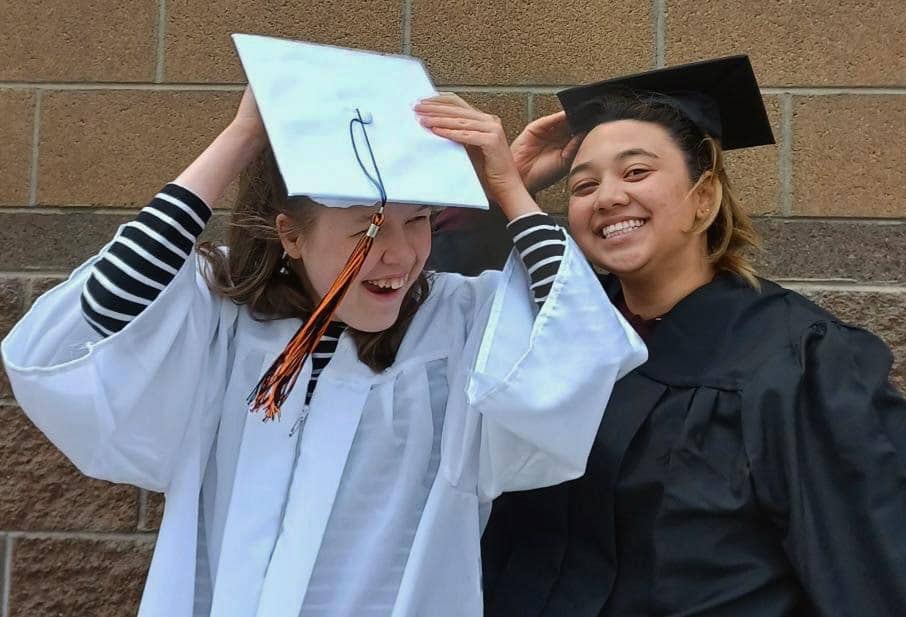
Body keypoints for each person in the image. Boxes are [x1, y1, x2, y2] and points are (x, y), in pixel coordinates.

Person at [1, 41, 646, 617]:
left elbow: (580, 347)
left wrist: (507, 188)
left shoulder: (454, 328)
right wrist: (242, 138)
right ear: (290, 234)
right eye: (368, 227)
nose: (399, 254)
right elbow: (94, 321)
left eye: (418, 220)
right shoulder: (223, 322)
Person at [480, 55, 906, 617]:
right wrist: (504, 190)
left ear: (705, 199)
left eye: (636, 172)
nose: (607, 197)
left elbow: (895, 561)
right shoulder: (560, 340)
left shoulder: (795, 359)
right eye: (584, 184)